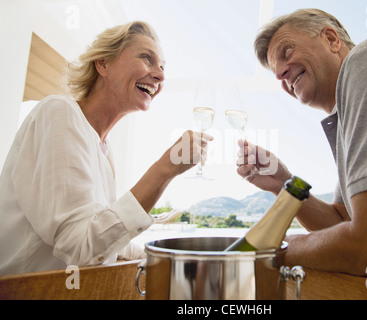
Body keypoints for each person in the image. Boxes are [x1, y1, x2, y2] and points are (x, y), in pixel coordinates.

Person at [238, 9, 367, 288]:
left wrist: (269, 249)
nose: (279, 73)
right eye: (275, 71)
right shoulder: (347, 117)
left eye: (286, 52)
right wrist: (283, 184)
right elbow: (341, 221)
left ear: (331, 39)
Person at [0, 21, 213, 275]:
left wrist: (172, 259)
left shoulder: (103, 149)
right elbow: (82, 249)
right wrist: (165, 169)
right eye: (147, 58)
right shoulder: (58, 112)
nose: (160, 75)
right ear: (103, 64)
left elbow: (106, 242)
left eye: (162, 67)